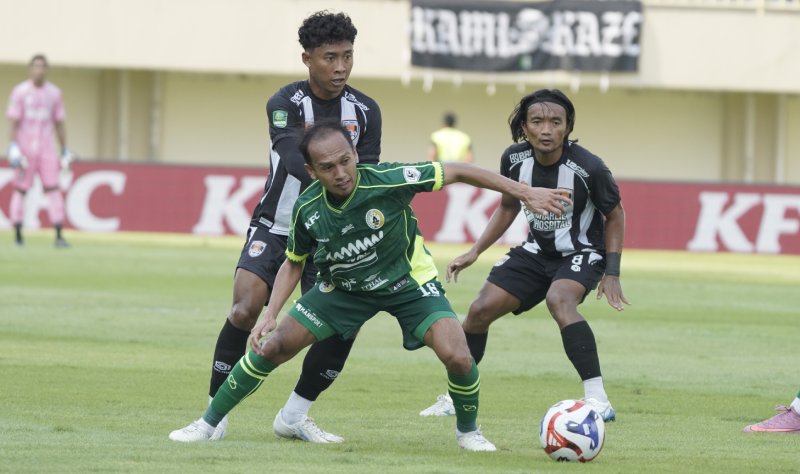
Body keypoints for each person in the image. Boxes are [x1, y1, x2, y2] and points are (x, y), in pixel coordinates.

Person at [169, 121, 569, 450]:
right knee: (272, 347)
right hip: (344, 289)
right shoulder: (308, 209)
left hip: (407, 282)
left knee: (459, 356)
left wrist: (524, 191)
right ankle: (207, 424)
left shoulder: (388, 180)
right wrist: (270, 315)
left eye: (346, 161)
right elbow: (294, 262)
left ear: (355, 155)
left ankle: (468, 433)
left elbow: (459, 171)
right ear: (312, 172)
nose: (340, 173)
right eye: (327, 167)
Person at [203, 11, 382, 444]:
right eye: (329, 58)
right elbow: (289, 157)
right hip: (277, 224)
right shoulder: (284, 103)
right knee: (245, 310)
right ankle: (215, 414)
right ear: (307, 59)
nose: (340, 67)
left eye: (347, 57)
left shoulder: (365, 110)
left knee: (340, 326)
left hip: (332, 235)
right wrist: (338, 182)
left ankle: (296, 415)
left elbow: (370, 171)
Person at [419, 89, 628, 422]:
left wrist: (612, 271)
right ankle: (454, 397)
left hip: (582, 250)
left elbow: (615, 214)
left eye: (555, 122)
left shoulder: (589, 167)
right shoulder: (514, 160)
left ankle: (597, 399)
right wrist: (475, 251)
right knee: (478, 311)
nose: (546, 129)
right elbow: (508, 206)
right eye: (537, 121)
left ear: (568, 126)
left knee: (560, 300)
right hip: (536, 251)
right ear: (524, 127)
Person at [5, 54, 74, 247]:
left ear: (47, 69)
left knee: (53, 188)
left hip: (47, 149)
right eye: (36, 66)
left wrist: (65, 148)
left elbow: (59, 122)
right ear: (30, 69)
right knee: (20, 190)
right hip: (25, 148)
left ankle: (59, 235)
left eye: (43, 67)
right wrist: (13, 147)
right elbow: (14, 121)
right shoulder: (19, 92)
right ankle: (18, 235)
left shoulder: (54, 93)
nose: (39, 70)